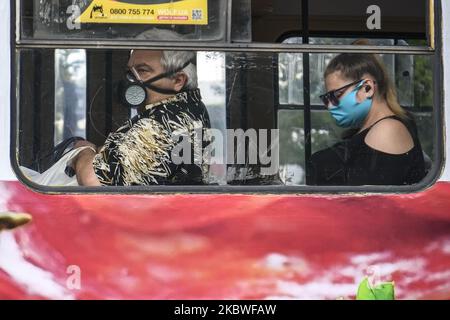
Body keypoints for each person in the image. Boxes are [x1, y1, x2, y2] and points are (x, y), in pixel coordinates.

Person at [72, 29, 211, 186]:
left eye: (142, 71)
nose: (132, 80)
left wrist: (83, 151)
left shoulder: (161, 125)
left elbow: (92, 182)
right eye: (130, 72)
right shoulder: (191, 108)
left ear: (178, 80)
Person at [307, 41, 426, 186]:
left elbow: (364, 202)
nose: (330, 105)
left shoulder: (388, 129)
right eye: (327, 98)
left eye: (336, 95)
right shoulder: (364, 130)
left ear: (367, 88)